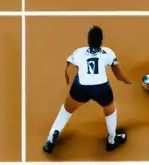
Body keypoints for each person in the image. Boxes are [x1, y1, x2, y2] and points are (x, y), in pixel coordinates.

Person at [43, 25, 133, 154]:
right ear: (101, 40)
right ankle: (112, 140)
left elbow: (68, 68)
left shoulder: (79, 52)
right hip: (101, 88)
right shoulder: (108, 52)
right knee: (110, 109)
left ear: (88, 40)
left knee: (66, 110)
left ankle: (51, 138)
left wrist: (68, 81)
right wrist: (127, 81)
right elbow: (118, 75)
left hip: (81, 87)